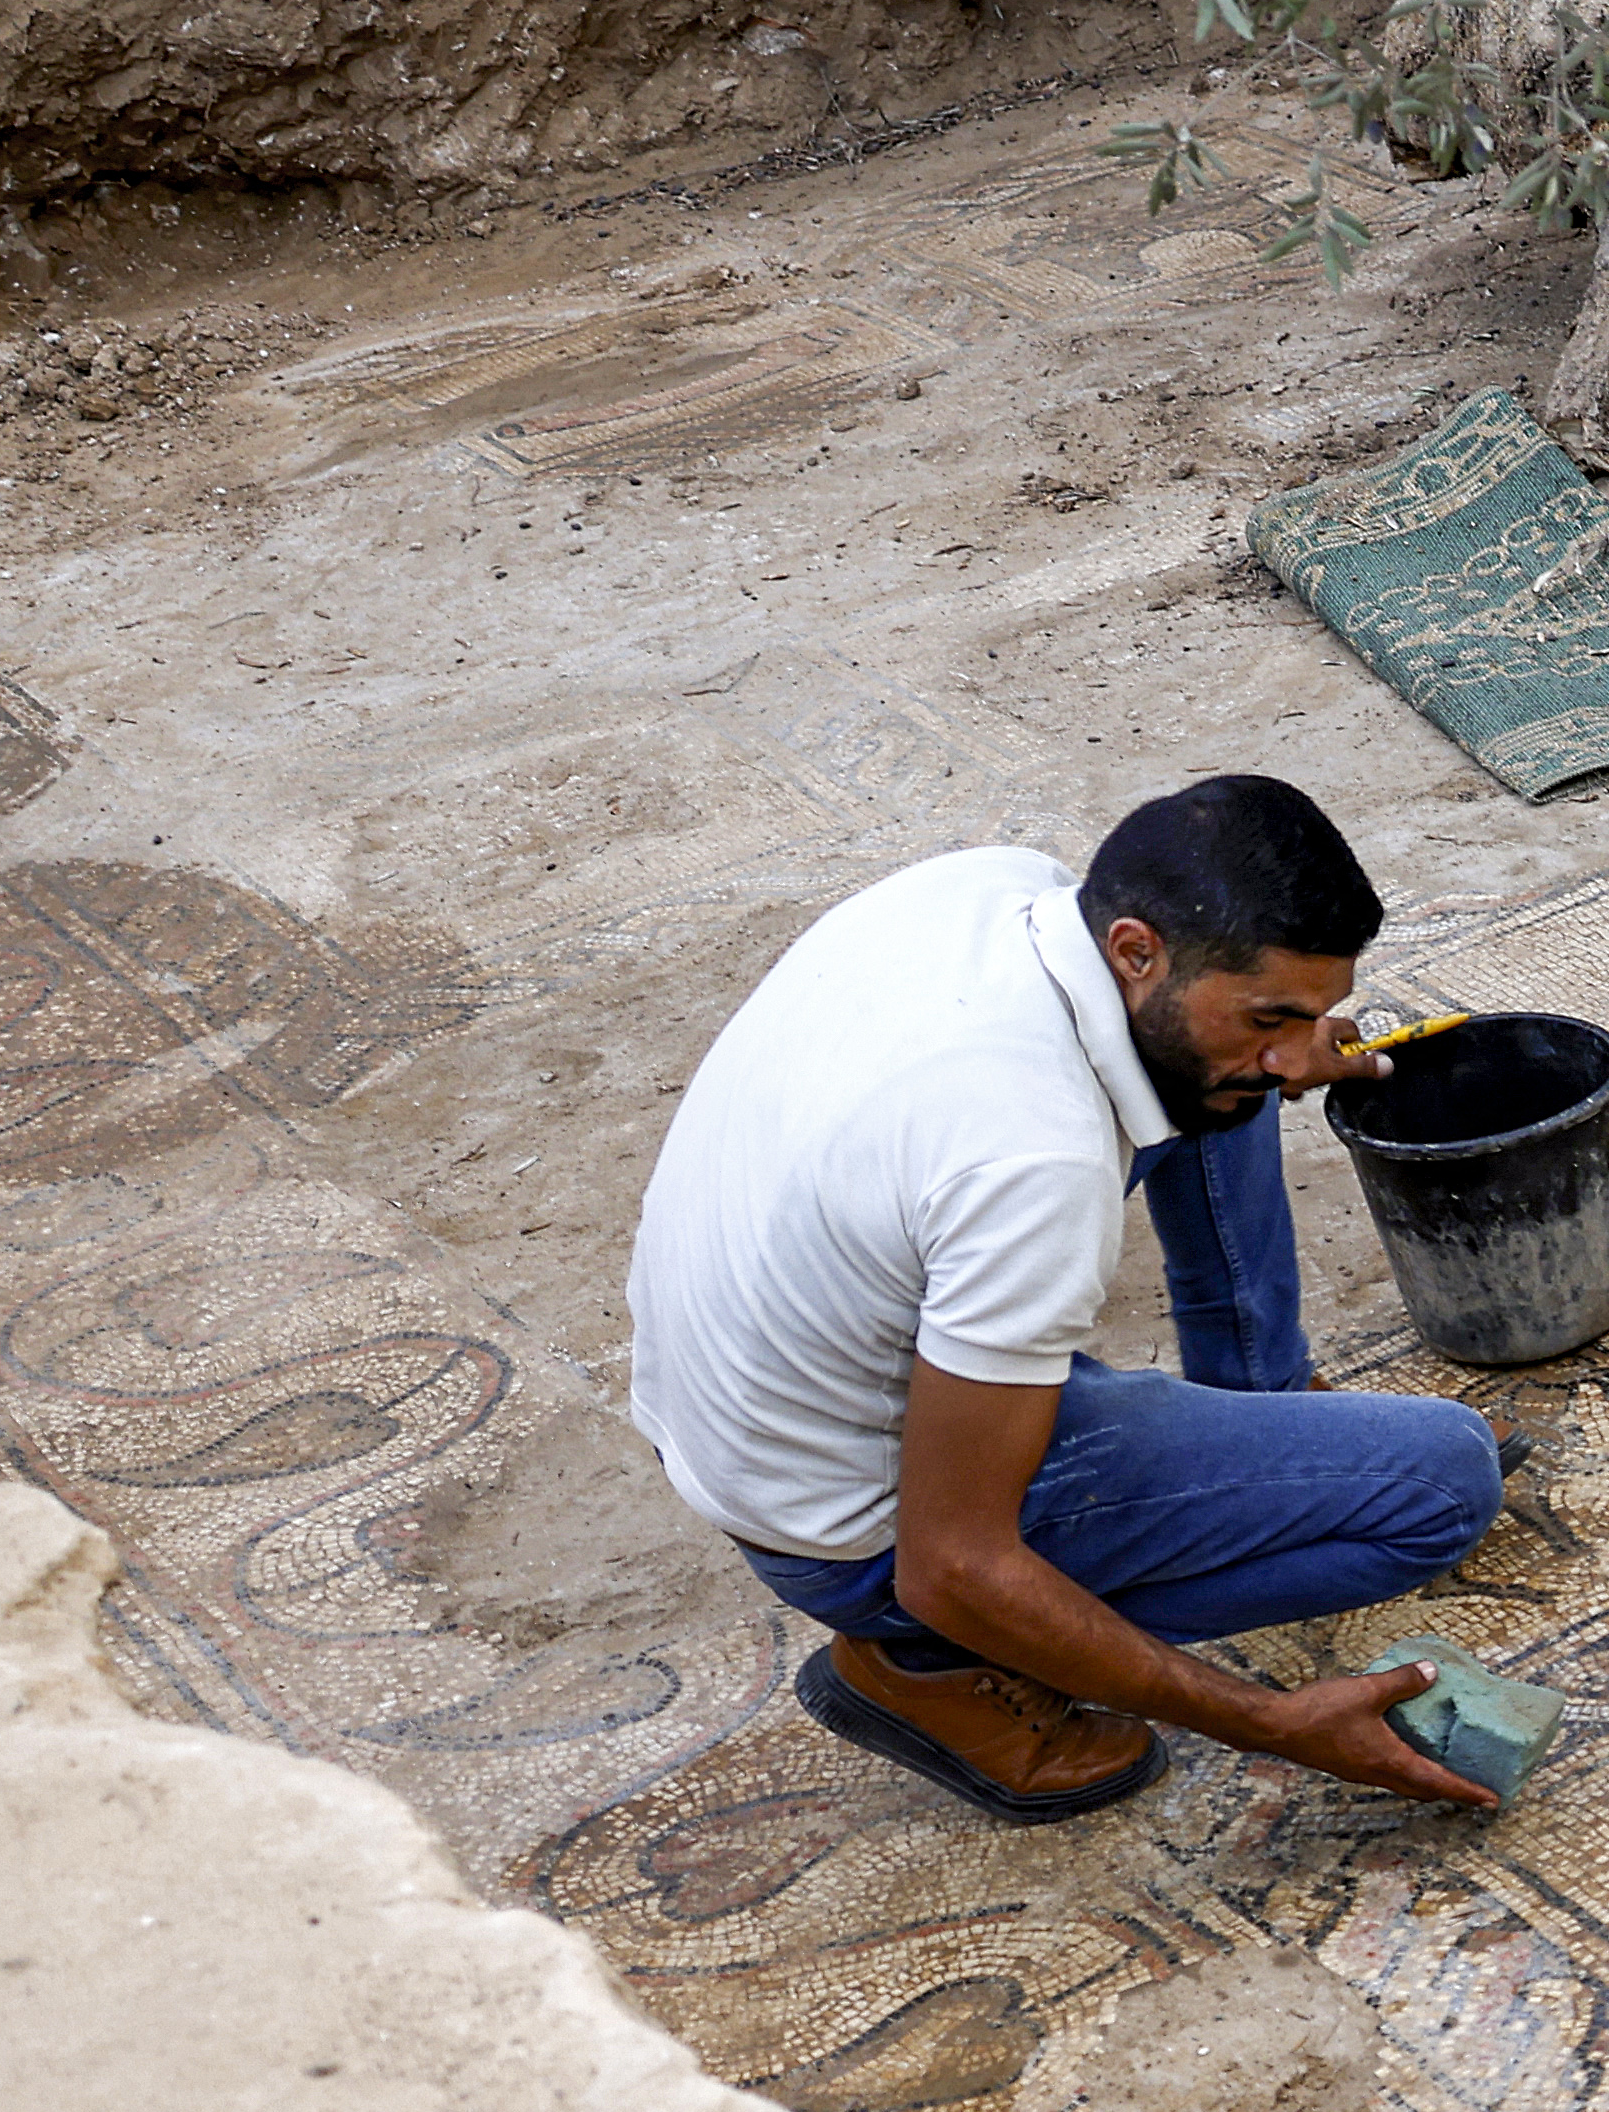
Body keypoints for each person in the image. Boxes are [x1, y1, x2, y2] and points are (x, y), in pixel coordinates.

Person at [627, 774, 1513, 1826]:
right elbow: (953, 1562)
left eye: (1311, 1014)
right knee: (1443, 1483)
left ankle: (1260, 1385)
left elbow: (1210, 1055)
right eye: (1277, 1014)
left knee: (1215, 1075)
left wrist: (1281, 1038)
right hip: (853, 1526)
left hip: (740, 1391)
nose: (1294, 1054)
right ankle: (923, 1667)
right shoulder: (1032, 1161)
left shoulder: (1001, 893)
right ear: (1134, 949)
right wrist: (1269, 1721)